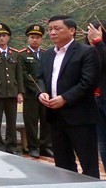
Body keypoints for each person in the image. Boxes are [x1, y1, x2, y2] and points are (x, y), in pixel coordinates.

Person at [37, 15, 100, 178]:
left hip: (80, 116)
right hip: (55, 116)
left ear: (71, 30)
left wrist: (65, 98)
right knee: (63, 165)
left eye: (57, 28)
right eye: (50, 29)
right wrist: (41, 92)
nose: (52, 33)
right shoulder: (47, 54)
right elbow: (40, 77)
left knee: (88, 164)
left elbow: (88, 82)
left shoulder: (87, 52)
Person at [0, 22, 24, 154]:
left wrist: (20, 92)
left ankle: (11, 146)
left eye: (4, 35)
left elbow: (19, 75)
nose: (2, 38)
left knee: (11, 121)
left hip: (12, 92)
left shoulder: (15, 54)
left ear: (8, 37)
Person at [18, 24, 53, 159]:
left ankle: (46, 146)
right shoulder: (22, 55)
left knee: (46, 121)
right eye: (32, 37)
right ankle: (33, 147)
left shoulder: (46, 54)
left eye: (37, 37)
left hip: (45, 94)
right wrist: (38, 89)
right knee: (31, 122)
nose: (35, 40)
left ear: (41, 39)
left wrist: (44, 91)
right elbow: (24, 74)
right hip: (31, 94)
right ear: (28, 39)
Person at [85, 20, 106, 173]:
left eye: (96, 31)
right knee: (103, 144)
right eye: (89, 32)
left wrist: (99, 42)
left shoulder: (101, 47)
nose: (91, 35)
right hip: (95, 102)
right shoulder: (86, 52)